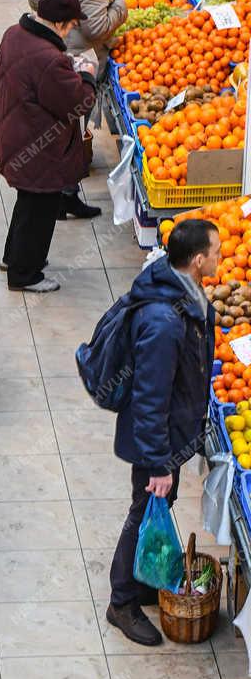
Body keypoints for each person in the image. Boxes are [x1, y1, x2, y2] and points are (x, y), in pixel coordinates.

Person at [106, 218, 218, 646]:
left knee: (158, 504)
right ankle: (122, 601)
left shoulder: (180, 290)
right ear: (196, 260)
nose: (220, 259)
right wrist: (158, 462)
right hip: (157, 439)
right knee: (145, 509)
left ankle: (142, 581)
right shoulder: (164, 323)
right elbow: (152, 399)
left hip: (171, 433)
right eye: (216, 252)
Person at [0, 0, 96, 294]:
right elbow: (77, 103)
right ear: (62, 24)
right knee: (42, 206)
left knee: (28, 201)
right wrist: (88, 75)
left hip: (14, 131)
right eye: (73, 23)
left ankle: (14, 258)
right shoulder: (50, 59)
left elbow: (1, 74)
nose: (74, 28)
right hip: (39, 144)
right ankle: (26, 274)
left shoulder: (14, 34)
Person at [27, 0, 126, 222]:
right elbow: (98, 28)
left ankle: (58, 189)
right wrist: (119, 4)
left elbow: (34, 0)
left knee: (54, 124)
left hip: (46, 49)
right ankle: (64, 193)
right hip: (76, 58)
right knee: (71, 128)